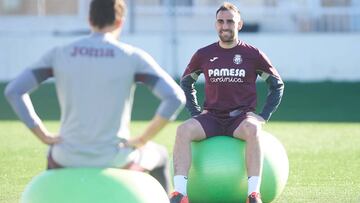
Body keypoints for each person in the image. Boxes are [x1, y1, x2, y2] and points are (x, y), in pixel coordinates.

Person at [4, 0, 185, 194]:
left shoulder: (60, 53)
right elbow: (175, 98)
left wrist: (44, 135)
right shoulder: (132, 57)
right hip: (114, 156)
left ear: (89, 20)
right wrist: (141, 139)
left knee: (52, 154)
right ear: (120, 22)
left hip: (66, 156)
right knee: (161, 155)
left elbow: (14, 91)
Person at [170, 2, 284, 203]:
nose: (225, 26)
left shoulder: (252, 54)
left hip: (239, 118)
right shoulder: (204, 54)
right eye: (221, 21)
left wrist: (263, 116)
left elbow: (277, 85)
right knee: (183, 130)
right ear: (216, 25)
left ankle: (253, 194)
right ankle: (180, 194)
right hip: (212, 117)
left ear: (239, 24)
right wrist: (196, 112)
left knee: (254, 130)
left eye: (230, 21)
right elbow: (186, 82)